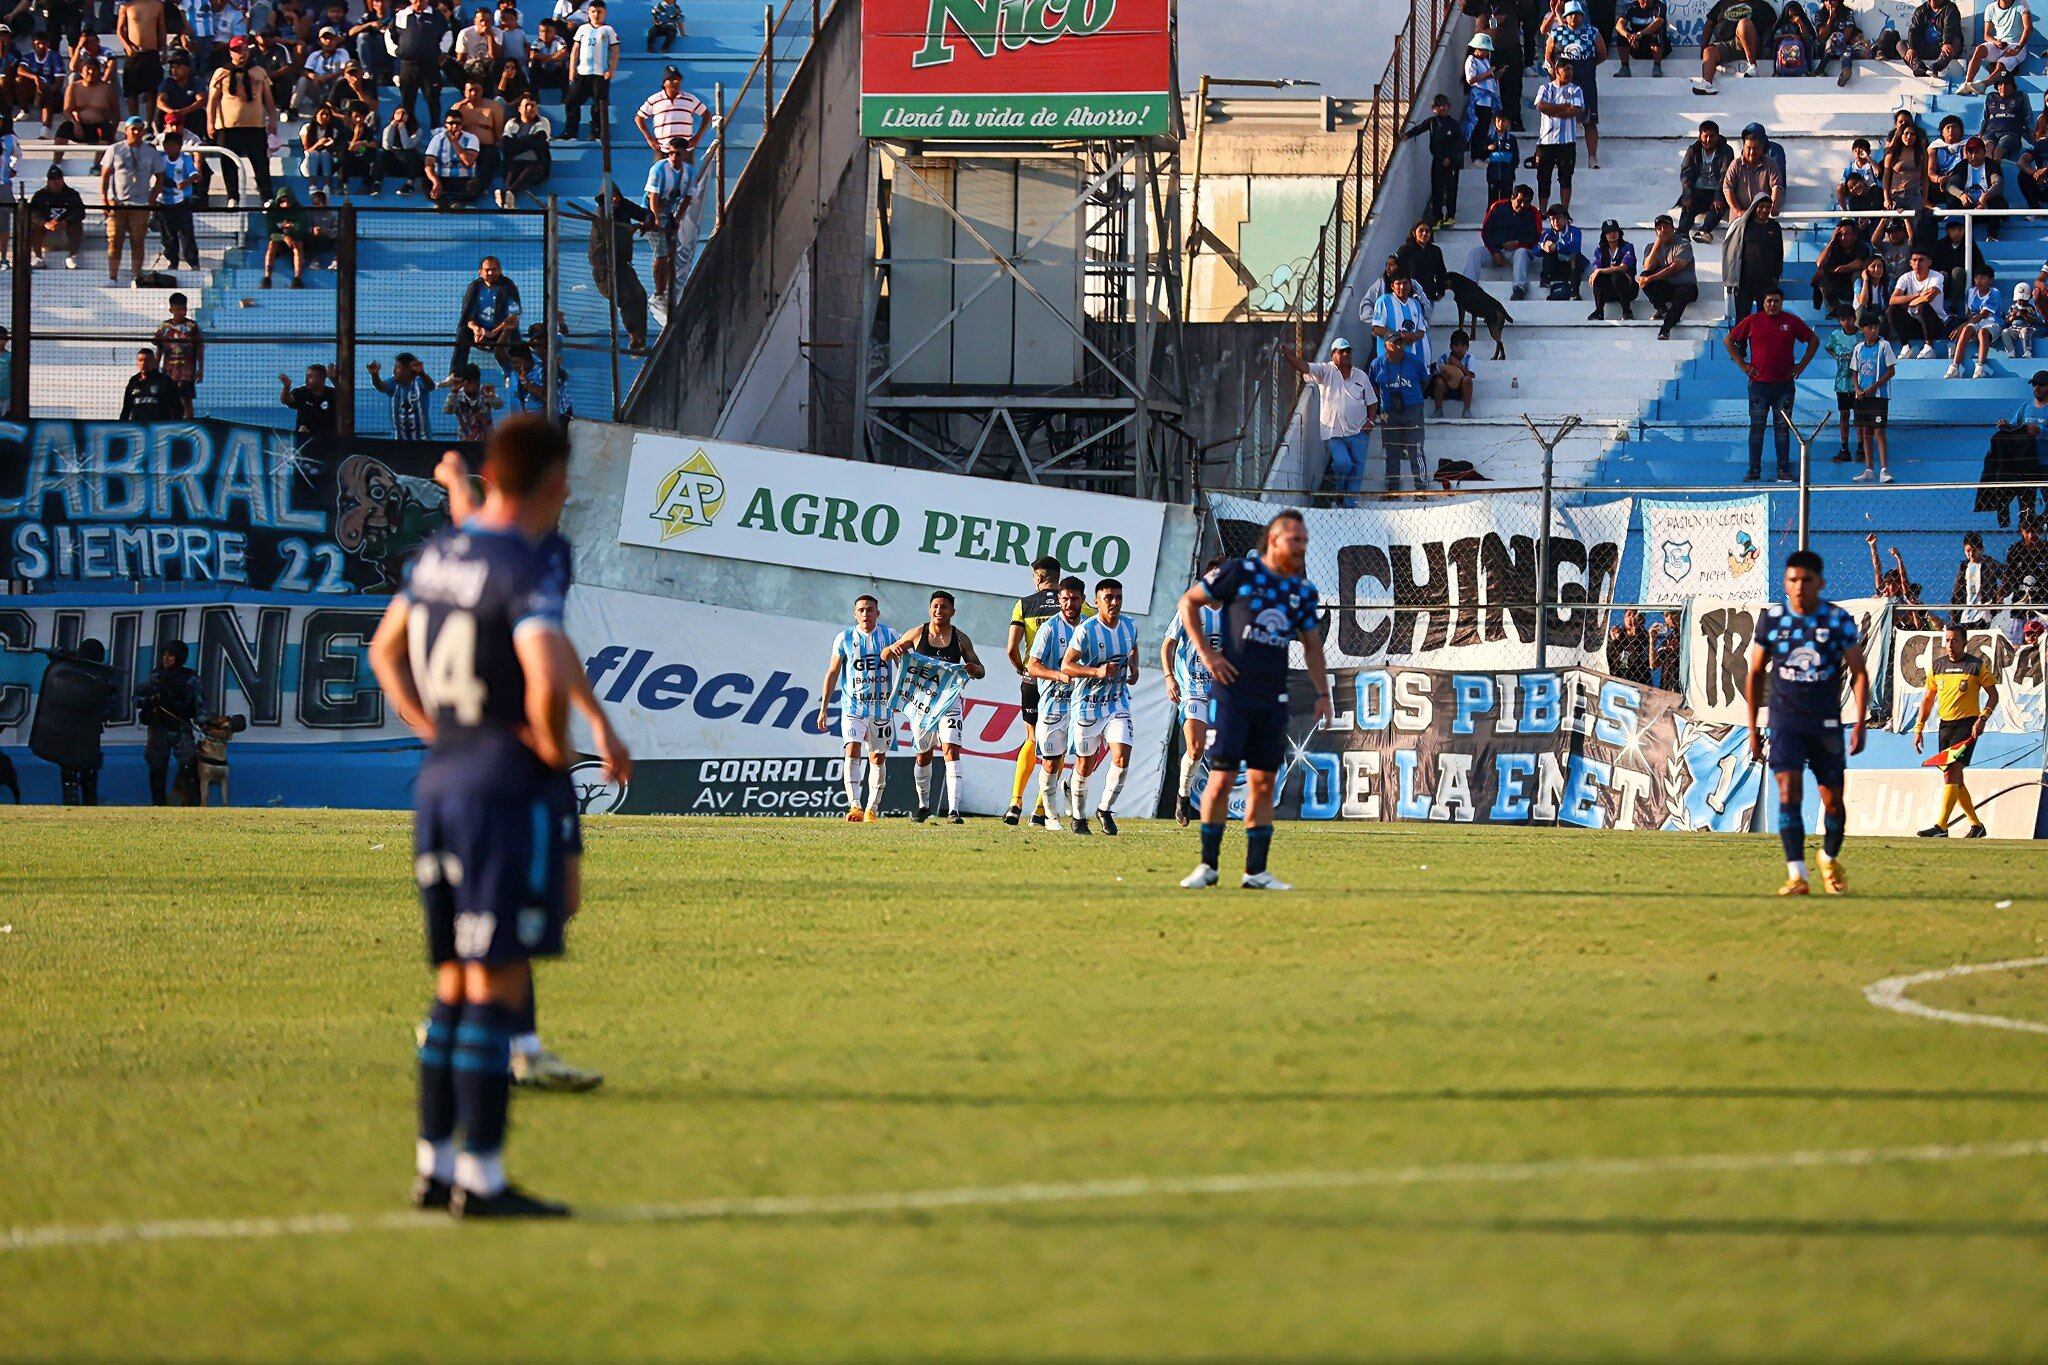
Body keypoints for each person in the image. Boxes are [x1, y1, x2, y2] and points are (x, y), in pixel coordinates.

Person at [367, 415, 587, 1218]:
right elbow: (542, 677)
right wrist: (549, 755)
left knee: (454, 983)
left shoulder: (437, 554)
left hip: (442, 780)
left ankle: (436, 1166)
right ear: (555, 481)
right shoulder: (525, 564)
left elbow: (384, 651)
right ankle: (485, 1181)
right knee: (494, 979)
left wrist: (436, 729)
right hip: (502, 787)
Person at [1178, 511, 1330, 891]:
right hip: (1231, 696)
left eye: (1304, 540)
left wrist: (1322, 692)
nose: (1301, 545)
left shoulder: (1302, 591)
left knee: (1264, 784)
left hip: (1271, 699)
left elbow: (1312, 646)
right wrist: (1208, 654)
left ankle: (1256, 872)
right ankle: (1208, 866)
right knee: (1222, 778)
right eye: (1294, 538)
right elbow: (1189, 602)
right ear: (1274, 540)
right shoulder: (1239, 572)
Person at [1744, 549, 1868, 896]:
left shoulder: (1837, 619)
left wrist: (1859, 722)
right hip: (1784, 724)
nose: (1799, 587)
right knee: (1789, 793)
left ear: (1820, 583)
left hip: (1826, 725)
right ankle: (1797, 874)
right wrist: (1754, 728)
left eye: (1806, 580)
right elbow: (1754, 673)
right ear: (1785, 583)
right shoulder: (1771, 620)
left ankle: (1828, 857)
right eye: (1793, 580)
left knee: (1833, 802)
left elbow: (1858, 672)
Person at [881, 590, 986, 824]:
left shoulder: (960, 638)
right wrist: (895, 649)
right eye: (935, 607)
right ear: (930, 610)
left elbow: (980, 670)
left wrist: (972, 669)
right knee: (923, 755)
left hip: (949, 702)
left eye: (944, 607)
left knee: (951, 750)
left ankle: (954, 811)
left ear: (953, 612)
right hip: (922, 705)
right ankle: (923, 805)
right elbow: (885, 654)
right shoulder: (918, 632)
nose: (939, 611)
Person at [1003, 555, 1089, 827]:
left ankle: (1015, 803)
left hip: (1034, 680)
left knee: (1031, 738)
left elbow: (1011, 648)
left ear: (1038, 577)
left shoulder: (1025, 604)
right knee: (1059, 743)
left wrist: (1023, 669)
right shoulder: (1079, 605)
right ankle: (1040, 810)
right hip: (1067, 683)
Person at [1058, 578, 1137, 836]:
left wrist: (1134, 668)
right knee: (1085, 765)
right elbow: (1067, 666)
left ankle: (1104, 809)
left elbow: (1132, 648)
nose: (1114, 602)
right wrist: (1096, 671)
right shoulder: (1087, 629)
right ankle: (1079, 817)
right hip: (1088, 704)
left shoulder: (1129, 626)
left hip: (1116, 702)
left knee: (1122, 755)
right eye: (1108, 597)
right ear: (1096, 601)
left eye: (1118, 597)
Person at [1913, 620, 1998, 837]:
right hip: (1945, 726)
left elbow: (1993, 695)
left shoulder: (1976, 666)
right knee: (1954, 778)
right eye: (1947, 640)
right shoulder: (1938, 666)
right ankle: (1976, 825)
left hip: (1967, 725)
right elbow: (1928, 699)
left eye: (1955, 640)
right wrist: (1919, 728)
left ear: (1965, 643)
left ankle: (1941, 827)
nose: (1950, 644)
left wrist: (1983, 719)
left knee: (1952, 772)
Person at [818, 593, 898, 823]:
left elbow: (904, 666)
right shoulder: (844, 638)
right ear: (855, 614)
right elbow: (833, 672)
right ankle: (855, 805)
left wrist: (902, 700)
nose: (865, 613)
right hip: (853, 706)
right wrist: (823, 707)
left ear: (877, 613)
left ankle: (872, 807)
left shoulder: (890, 635)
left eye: (870, 609)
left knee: (877, 757)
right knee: (852, 749)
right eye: (861, 610)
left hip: (882, 709)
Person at [1725, 284, 1816, 482]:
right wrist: (1742, 364)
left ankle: (1783, 470)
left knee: (1782, 428)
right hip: (1759, 385)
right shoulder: (1752, 321)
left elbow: (1813, 340)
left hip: (1784, 385)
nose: (1772, 304)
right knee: (1756, 427)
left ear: (1782, 302)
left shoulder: (1791, 321)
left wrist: (1802, 366)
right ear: (1763, 303)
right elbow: (1729, 341)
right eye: (1768, 301)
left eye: (1776, 301)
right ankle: (1754, 470)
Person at [1162, 558, 1224, 826]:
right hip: (1192, 687)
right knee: (1196, 748)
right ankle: (1183, 795)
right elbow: (1168, 645)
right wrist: (1169, 678)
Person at [1022, 574, 1086, 830]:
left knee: (1085, 758)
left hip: (1082, 704)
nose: (1069, 604)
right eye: (1065, 599)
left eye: (1074, 599)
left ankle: (1070, 784)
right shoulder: (1049, 628)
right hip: (1053, 704)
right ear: (1059, 599)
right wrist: (1057, 674)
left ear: (1082, 599)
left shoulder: (1090, 627)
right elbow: (1033, 666)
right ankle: (1049, 816)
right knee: (1051, 761)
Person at [1281, 337, 1376, 505]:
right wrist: (1289, 357)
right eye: (1341, 351)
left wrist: (1371, 422)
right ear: (1333, 355)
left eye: (1348, 351)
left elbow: (1372, 402)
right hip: (1334, 432)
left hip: (1359, 431)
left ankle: (1349, 504)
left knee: (1357, 470)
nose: (1346, 354)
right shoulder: (1325, 371)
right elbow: (1304, 367)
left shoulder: (1361, 376)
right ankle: (1340, 491)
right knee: (1343, 464)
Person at [205, 36, 276, 202]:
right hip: (228, 127)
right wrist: (210, 122)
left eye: (243, 49)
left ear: (248, 50)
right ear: (230, 52)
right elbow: (212, 101)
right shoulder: (221, 72)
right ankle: (232, 197)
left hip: (255, 127)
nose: (240, 54)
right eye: (236, 50)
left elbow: (269, 100)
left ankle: (266, 197)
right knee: (228, 163)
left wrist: (273, 120)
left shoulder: (259, 71)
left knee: (260, 162)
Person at [99, 115, 162, 286]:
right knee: (114, 240)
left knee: (138, 241)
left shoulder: (151, 151)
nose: (135, 131)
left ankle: (137, 276)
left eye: (139, 129)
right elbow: (105, 175)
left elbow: (160, 176)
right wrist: (104, 199)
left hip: (140, 204)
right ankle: (112, 276)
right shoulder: (115, 149)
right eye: (132, 128)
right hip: (118, 203)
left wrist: (152, 198)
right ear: (126, 130)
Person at [136, 639, 201, 804]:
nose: (165, 658)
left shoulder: (190, 678)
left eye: (170, 655)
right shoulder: (156, 675)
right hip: (159, 728)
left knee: (189, 766)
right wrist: (148, 701)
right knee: (157, 768)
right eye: (164, 655)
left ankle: (194, 805)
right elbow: (138, 696)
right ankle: (158, 805)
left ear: (179, 658)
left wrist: (204, 723)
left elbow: (200, 703)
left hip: (181, 727)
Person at [1369, 332, 1428, 491]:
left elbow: (1425, 381)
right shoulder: (1377, 364)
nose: (1400, 346)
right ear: (1386, 345)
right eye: (1395, 343)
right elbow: (1372, 385)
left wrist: (1414, 398)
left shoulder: (1414, 361)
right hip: (1388, 412)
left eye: (1401, 342)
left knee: (1415, 448)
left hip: (1412, 409)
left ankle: (1421, 487)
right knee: (1391, 449)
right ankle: (1392, 487)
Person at [1466, 181, 1541, 299]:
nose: (1522, 205)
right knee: (1475, 254)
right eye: (1520, 201)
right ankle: (1468, 287)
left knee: (1522, 253)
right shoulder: (1497, 207)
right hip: (1496, 249)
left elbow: (1535, 236)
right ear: (1513, 197)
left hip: (1517, 251)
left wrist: (1518, 243)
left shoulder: (1533, 213)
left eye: (1526, 202)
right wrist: (1494, 252)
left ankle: (1519, 288)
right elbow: (1486, 232)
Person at [644, 135, 695, 302]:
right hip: (653, 211)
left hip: (670, 212)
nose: (674, 157)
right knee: (661, 253)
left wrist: (677, 218)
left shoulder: (689, 172)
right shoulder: (659, 169)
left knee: (672, 252)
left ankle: (667, 288)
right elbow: (653, 197)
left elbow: (688, 197)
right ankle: (659, 292)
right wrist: (656, 219)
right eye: (671, 153)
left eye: (678, 154)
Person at [452, 255, 521, 378]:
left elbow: (513, 318)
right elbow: (468, 317)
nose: (490, 272)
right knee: (462, 333)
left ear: (500, 271)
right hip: (480, 333)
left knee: (512, 332)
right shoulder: (474, 288)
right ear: (480, 272)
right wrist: (476, 329)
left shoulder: (507, 286)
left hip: (500, 332)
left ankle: (512, 375)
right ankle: (456, 375)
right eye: (487, 269)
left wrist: (493, 332)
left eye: (494, 269)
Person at [1403, 92, 1463, 229]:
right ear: (1434, 109)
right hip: (1437, 160)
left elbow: (1458, 144)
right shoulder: (1431, 122)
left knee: (1451, 189)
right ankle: (1437, 217)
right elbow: (1419, 128)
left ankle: (1450, 216)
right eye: (1438, 106)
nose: (1442, 108)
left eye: (1444, 105)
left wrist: (1450, 158)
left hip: (1451, 162)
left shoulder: (1453, 124)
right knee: (1437, 189)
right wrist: (1406, 135)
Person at [1637, 214, 1698, 341]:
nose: (1663, 230)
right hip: (1666, 287)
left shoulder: (1684, 244)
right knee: (1644, 277)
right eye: (1659, 228)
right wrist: (1658, 243)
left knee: (1681, 294)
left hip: (1686, 287)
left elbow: (1674, 268)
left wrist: (1652, 279)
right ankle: (1661, 308)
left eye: (1666, 227)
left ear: (1673, 229)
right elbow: (1648, 267)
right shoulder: (1651, 247)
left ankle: (1665, 329)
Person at [1532, 58, 1583, 212]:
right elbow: (1541, 106)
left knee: (1566, 178)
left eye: (1571, 69)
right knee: (1543, 178)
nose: (1570, 72)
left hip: (1567, 141)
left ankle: (1564, 211)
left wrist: (1552, 109)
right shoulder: (1545, 88)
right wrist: (1564, 108)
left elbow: (1574, 111)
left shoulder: (1576, 89)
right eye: (1566, 69)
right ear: (1557, 70)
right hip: (1546, 142)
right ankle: (1542, 210)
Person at [390, 0, 450, 128]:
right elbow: (391, 34)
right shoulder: (402, 15)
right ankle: (408, 129)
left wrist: (441, 52)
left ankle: (435, 129)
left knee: (433, 98)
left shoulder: (437, 16)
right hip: (407, 66)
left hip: (429, 65)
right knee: (407, 100)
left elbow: (447, 34)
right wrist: (397, 51)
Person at [561, 0, 613, 142]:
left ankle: (597, 132)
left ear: (605, 13)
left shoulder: (608, 30)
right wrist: (572, 70)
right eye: (593, 11)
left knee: (599, 103)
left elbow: (615, 51)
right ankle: (570, 132)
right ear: (588, 13)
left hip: (600, 74)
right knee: (572, 101)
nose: (596, 15)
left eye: (600, 12)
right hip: (582, 73)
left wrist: (611, 70)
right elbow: (575, 50)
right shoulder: (582, 29)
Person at [1695, 0, 1772, 93]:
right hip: (1725, 44)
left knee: (1744, 23)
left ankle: (1752, 66)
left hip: (1749, 43)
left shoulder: (1762, 5)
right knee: (1709, 51)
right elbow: (1709, 25)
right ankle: (1707, 84)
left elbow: (1772, 31)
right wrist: (1703, 48)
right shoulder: (1723, 3)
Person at [1676, 121, 1733, 242]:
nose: (1708, 140)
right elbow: (1686, 173)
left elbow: (1725, 175)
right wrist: (1687, 193)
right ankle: (1682, 233)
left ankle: (1704, 231)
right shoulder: (1693, 150)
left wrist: (1719, 195)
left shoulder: (1726, 151)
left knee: (1719, 206)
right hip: (1698, 191)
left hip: (1717, 190)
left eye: (1711, 136)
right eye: (1705, 136)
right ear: (1699, 136)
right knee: (1688, 205)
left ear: (1717, 136)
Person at [634, 62, 705, 156]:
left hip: (685, 150)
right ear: (664, 83)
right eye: (672, 79)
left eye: (678, 79)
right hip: (663, 150)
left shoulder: (690, 99)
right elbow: (639, 118)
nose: (676, 82)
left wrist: (698, 136)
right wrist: (649, 138)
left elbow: (706, 115)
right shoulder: (654, 99)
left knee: (687, 170)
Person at [1959, 0, 2030, 92]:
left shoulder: (2021, 4)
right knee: (1980, 49)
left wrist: (2018, 48)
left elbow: (2028, 28)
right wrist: (1996, 42)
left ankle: (1983, 85)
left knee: (2001, 63)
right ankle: (1967, 83)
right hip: (1999, 44)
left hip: (2016, 45)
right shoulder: (1990, 8)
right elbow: (1986, 35)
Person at [1889, 249, 1948, 357]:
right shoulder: (1906, 277)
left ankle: (1929, 347)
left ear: (1929, 262)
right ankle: (1905, 346)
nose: (1917, 263)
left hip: (1936, 324)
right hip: (1916, 325)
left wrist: (1908, 302)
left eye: (1921, 260)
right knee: (1892, 310)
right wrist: (1916, 296)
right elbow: (1893, 300)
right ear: (1910, 263)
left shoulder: (1937, 277)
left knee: (1923, 306)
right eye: (1914, 260)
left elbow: (1928, 298)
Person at [153, 290, 203, 416]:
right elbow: (159, 349)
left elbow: (199, 348)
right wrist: (154, 369)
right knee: (168, 401)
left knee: (186, 401)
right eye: (178, 309)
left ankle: (189, 425)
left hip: (186, 372)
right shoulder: (164, 327)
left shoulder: (192, 326)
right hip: (169, 372)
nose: (181, 312)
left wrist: (201, 369)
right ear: (171, 310)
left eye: (183, 309)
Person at [1818, 303, 1858, 461]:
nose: (1846, 322)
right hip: (1842, 382)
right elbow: (1828, 347)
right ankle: (1844, 448)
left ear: (1854, 319)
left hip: (1859, 383)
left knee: (1860, 416)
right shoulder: (1835, 335)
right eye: (1842, 319)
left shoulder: (1861, 336)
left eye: (1849, 319)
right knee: (1844, 415)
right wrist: (1838, 357)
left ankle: (1861, 447)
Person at [1948, 263, 2001, 380]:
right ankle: (1954, 366)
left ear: (1990, 280)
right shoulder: (1971, 291)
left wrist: (1961, 326)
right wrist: (1966, 322)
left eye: (1983, 278)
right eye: (1976, 277)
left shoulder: (1995, 293)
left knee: (1982, 332)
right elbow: (1970, 313)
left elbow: (1983, 315)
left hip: (1993, 322)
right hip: (1977, 321)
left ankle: (1980, 367)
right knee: (1967, 329)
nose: (1979, 281)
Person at [1370, 269, 1430, 366]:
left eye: (1405, 283)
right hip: (1388, 361)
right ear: (1392, 286)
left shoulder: (1415, 304)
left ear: (1410, 285)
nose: (1402, 287)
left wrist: (1413, 337)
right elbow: (1376, 328)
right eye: (1398, 284)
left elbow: (1421, 331)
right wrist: (1398, 337)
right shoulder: (1383, 301)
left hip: (1410, 360)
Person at [369, 351, 435, 437]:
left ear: (408, 370)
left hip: (423, 440)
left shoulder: (420, 383)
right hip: (398, 441)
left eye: (398, 368)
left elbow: (431, 386)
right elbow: (380, 386)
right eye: (395, 367)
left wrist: (422, 373)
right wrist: (374, 375)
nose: (394, 370)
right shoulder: (393, 383)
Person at [28, 163, 83, 267]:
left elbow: (80, 212)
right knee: (32, 226)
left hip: (66, 231)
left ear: (62, 180)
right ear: (48, 181)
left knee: (77, 225)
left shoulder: (72, 194)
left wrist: (65, 222)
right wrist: (44, 223)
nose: (56, 182)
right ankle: (38, 257)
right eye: (53, 180)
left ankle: (72, 257)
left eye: (58, 179)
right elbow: (32, 212)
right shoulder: (40, 196)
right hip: (46, 232)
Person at [498, 92, 549, 203]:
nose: (530, 108)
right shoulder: (511, 123)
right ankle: (507, 197)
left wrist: (515, 144)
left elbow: (539, 141)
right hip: (515, 161)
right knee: (512, 170)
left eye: (533, 105)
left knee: (530, 169)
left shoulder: (543, 122)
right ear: (519, 108)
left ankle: (506, 193)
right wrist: (528, 144)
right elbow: (504, 145)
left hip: (536, 163)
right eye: (526, 105)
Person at [1978, 69, 2031, 164]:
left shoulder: (2020, 96)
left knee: (1998, 150)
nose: (2003, 87)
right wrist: (1980, 134)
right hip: (1991, 132)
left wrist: (2032, 137)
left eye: (2007, 84)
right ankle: (1986, 173)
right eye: (2000, 84)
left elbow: (2028, 118)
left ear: (2012, 86)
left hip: (2011, 134)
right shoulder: (1991, 97)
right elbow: (1984, 118)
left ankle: (1995, 171)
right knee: (1988, 148)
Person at [1587, 219, 1637, 320]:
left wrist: (1601, 271)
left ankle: (1627, 311)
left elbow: (1623, 267)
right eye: (1609, 232)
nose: (1612, 234)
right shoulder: (1600, 249)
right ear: (1604, 235)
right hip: (1608, 290)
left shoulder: (1627, 247)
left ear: (1619, 232)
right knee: (1599, 278)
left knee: (1616, 276)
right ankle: (1599, 311)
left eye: (1614, 231)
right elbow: (1597, 267)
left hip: (1628, 289)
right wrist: (1598, 271)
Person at [1462, 32, 1500, 162]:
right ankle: (1476, 155)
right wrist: (1488, 72)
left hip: (1488, 100)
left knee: (1485, 128)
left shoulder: (1485, 60)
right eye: (1484, 50)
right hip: (1479, 99)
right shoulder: (1471, 60)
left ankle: (1483, 154)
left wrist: (1495, 74)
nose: (1485, 53)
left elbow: (1487, 78)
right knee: (1478, 128)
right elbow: (1471, 79)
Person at [1952, 531, 2005, 624]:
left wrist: (1999, 595)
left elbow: (2006, 574)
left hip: (1984, 612)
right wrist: (1954, 613)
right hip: (1968, 612)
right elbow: (1957, 591)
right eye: (1968, 551)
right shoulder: (1964, 566)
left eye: (1974, 550)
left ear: (1981, 549)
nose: (1971, 554)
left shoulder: (1989, 563)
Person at [1537, 201, 1585, 300]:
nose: (1555, 222)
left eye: (1557, 218)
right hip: (1555, 268)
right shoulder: (1547, 233)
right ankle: (1546, 279)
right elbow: (1536, 251)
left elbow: (1575, 248)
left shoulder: (1574, 231)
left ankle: (1574, 291)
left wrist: (1557, 247)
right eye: (1551, 219)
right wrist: (1544, 246)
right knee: (1547, 252)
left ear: (1565, 218)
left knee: (1575, 257)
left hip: (1571, 268)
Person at [120, 345, 183, 418]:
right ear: (137, 363)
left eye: (147, 360)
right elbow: (126, 409)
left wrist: (171, 426)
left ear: (154, 362)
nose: (143, 363)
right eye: (141, 360)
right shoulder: (133, 381)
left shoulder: (165, 381)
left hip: (158, 427)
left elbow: (178, 408)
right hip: (139, 427)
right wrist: (121, 427)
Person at [1427, 327, 1477, 415]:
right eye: (1456, 346)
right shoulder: (1445, 357)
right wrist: (1444, 375)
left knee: (1467, 380)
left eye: (1463, 346)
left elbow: (1471, 375)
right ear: (1451, 347)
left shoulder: (1470, 358)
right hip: (1446, 389)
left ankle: (1466, 410)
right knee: (1438, 381)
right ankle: (1438, 409)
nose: (1460, 349)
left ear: (1467, 347)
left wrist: (1459, 365)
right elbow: (1436, 372)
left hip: (1460, 391)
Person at [444, 362, 501, 439]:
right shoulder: (457, 395)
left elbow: (499, 405)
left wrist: (492, 396)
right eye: (470, 383)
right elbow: (448, 410)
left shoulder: (485, 392)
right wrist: (454, 392)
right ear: (464, 382)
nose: (474, 386)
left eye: (476, 382)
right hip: (465, 439)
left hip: (486, 439)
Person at [280, 362, 337, 437]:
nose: (306, 380)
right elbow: (286, 400)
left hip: (327, 439)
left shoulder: (332, 394)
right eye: (306, 376)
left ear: (321, 378)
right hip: (304, 438)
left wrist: (334, 380)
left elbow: (345, 399)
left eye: (310, 377)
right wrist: (287, 387)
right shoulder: (301, 392)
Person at [1612, 0, 1668, 75]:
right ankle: (1624, 67)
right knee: (1622, 34)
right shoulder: (1630, 7)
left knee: (1656, 32)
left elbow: (1659, 22)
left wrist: (1640, 34)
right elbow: (1619, 25)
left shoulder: (1659, 6)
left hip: (1655, 46)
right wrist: (1628, 36)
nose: (1645, 2)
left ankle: (1657, 66)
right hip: (1636, 44)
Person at [1481, 108, 1518, 206]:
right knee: (1493, 201)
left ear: (1508, 122)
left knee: (1506, 200)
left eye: (1504, 121)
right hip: (1493, 175)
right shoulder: (1490, 138)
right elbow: (1482, 155)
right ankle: (1492, 219)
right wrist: (1488, 149)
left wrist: (1511, 170)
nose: (1501, 123)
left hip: (1507, 176)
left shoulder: (1511, 139)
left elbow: (1515, 158)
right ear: (1494, 122)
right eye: (1498, 121)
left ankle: (1506, 219)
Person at [1605, 609, 1652, 683]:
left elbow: (1640, 663)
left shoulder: (1646, 638)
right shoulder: (1619, 634)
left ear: (1642, 620)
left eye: (1635, 615)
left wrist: (1635, 637)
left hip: (1638, 682)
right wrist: (1614, 641)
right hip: (1617, 680)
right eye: (1628, 615)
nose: (1631, 618)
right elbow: (1609, 660)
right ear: (1624, 618)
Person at [1837, 139, 1882, 213]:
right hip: (1856, 197)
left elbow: (1878, 172)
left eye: (1861, 151)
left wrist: (1867, 157)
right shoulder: (1850, 167)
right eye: (1855, 151)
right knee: (1840, 187)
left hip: (1872, 195)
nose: (1858, 153)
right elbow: (1843, 185)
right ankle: (1844, 213)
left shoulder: (1870, 164)